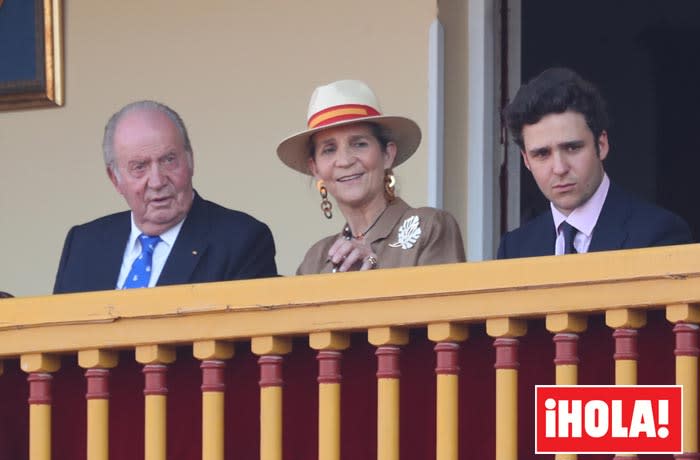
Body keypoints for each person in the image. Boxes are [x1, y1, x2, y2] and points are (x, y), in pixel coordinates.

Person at [54, 100, 277, 293]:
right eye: (139, 167)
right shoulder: (84, 244)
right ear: (115, 179)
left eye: (169, 160)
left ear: (190, 161)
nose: (157, 181)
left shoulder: (241, 240)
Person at [497, 68, 692, 259]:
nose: (559, 168)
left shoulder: (659, 234)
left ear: (602, 144)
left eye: (572, 148)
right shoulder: (515, 248)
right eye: (542, 153)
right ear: (526, 160)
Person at [277, 79, 465, 274]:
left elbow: (443, 305)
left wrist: (374, 269)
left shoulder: (430, 227)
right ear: (315, 168)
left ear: (387, 155)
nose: (345, 160)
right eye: (329, 149)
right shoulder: (316, 260)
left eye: (359, 144)